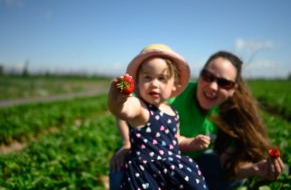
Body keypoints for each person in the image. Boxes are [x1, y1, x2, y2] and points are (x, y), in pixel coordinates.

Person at [109, 49, 285, 190]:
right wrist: (127, 143)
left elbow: (225, 163)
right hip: (137, 156)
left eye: (224, 83)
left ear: (233, 89)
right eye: (208, 77)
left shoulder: (229, 114)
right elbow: (126, 110)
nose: (212, 86)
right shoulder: (169, 94)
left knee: (214, 167)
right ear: (200, 74)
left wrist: (254, 169)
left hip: (176, 162)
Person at [108, 44, 210, 190]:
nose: (154, 84)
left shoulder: (173, 112)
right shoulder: (141, 108)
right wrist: (117, 97)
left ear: (174, 85)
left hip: (173, 169)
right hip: (146, 173)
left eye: (162, 78)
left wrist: (191, 142)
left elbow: (176, 140)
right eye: (147, 77)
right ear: (138, 82)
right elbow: (121, 110)